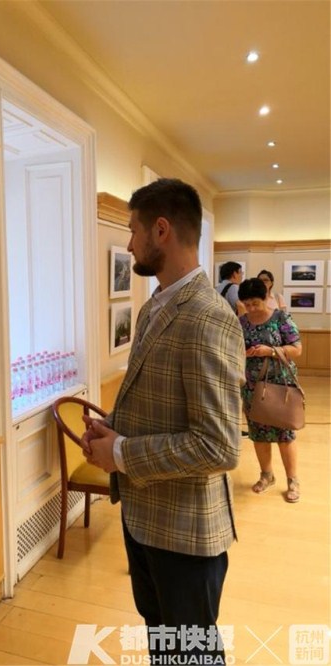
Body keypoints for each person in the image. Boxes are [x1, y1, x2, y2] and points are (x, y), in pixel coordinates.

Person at [81, 178, 245, 665]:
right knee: (164, 646)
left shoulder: (207, 317)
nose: (129, 243)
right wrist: (114, 427)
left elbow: (219, 447)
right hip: (146, 518)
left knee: (191, 656)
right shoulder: (157, 304)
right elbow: (159, 402)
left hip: (186, 535)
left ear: (161, 230)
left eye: (132, 231)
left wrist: (121, 453)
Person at [238, 277, 302, 502]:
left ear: (265, 297)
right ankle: (267, 475)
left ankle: (292, 480)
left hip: (280, 384)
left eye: (255, 302)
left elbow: (297, 349)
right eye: (247, 304)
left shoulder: (280, 318)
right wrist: (243, 354)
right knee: (259, 433)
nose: (251, 308)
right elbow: (235, 350)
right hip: (252, 387)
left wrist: (270, 351)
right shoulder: (241, 322)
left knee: (285, 434)